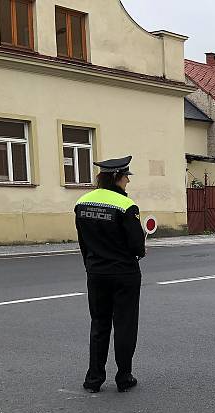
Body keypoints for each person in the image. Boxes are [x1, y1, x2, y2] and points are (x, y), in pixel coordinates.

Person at [74, 156, 146, 393]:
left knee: (99, 323)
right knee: (124, 324)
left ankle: (94, 378)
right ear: (116, 177)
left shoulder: (82, 203)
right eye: (126, 177)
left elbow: (83, 242)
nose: (128, 181)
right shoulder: (126, 206)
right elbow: (137, 246)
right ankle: (124, 377)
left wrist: (91, 264)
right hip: (124, 273)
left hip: (96, 272)